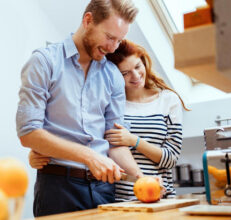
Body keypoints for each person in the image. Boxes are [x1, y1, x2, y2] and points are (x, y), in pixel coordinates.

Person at [16, 0, 141, 217]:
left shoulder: (113, 76)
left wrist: (141, 177)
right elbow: (28, 133)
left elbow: (116, 142)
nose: (113, 48)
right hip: (57, 189)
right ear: (88, 20)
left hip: (104, 190)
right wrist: (89, 157)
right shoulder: (44, 62)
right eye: (109, 37)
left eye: (119, 41)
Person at [30, 39, 189, 202]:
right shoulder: (108, 104)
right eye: (125, 73)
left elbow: (171, 158)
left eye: (137, 66)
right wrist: (44, 152)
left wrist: (134, 141)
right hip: (117, 197)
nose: (135, 76)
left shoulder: (168, 100)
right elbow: (90, 143)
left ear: (144, 61)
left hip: (159, 193)